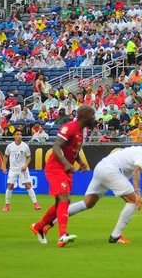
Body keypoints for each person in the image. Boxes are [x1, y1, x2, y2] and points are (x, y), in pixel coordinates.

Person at [45, 141, 142, 243]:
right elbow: (135, 172)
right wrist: (137, 193)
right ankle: (115, 237)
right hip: (111, 170)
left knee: (88, 203)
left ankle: (50, 222)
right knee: (134, 201)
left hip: (101, 167)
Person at [29, 105, 96, 247]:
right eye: (92, 116)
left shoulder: (81, 131)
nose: (94, 119)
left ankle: (39, 227)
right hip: (56, 168)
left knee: (61, 203)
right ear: (84, 116)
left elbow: (74, 150)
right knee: (64, 197)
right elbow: (56, 146)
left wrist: (80, 162)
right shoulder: (69, 127)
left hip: (66, 169)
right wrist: (66, 163)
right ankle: (62, 235)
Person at [2, 130, 41, 212]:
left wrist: (25, 165)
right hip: (13, 169)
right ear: (14, 136)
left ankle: (36, 204)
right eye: (17, 134)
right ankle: (6, 205)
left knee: (28, 185)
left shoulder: (25, 146)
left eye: (20, 134)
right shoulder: (10, 146)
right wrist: (4, 167)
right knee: (10, 186)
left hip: (23, 169)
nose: (19, 136)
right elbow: (5, 157)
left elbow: (29, 157)